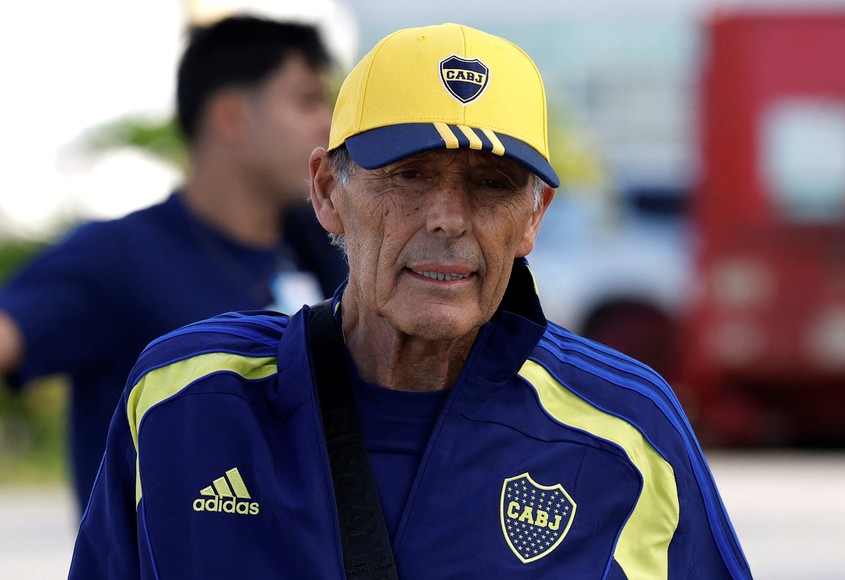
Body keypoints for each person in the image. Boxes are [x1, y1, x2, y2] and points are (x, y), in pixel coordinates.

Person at [68, 23, 752, 579]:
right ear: (328, 193)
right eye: (410, 175)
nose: (447, 218)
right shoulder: (185, 401)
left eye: (490, 183)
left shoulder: (627, 435)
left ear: (534, 216)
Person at [0, 15, 346, 513]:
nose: (328, 124)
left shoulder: (329, 246)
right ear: (232, 117)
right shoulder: (121, 255)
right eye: (307, 100)